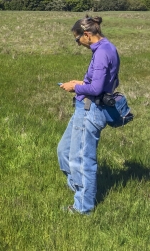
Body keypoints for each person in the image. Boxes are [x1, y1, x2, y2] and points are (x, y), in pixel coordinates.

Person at [57, 15, 120, 215]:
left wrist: (76, 86)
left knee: (82, 159)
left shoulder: (103, 52)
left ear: (86, 34)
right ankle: (79, 188)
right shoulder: (105, 48)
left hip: (90, 110)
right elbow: (105, 82)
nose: (78, 44)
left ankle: (83, 207)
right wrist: (81, 83)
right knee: (64, 151)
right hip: (83, 107)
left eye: (77, 40)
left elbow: (97, 88)